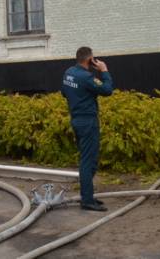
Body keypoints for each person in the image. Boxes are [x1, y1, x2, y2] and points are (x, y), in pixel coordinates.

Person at [61, 47, 114, 212]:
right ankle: (87, 201)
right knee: (87, 161)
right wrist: (104, 71)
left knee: (89, 160)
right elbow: (107, 90)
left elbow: (65, 93)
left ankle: (88, 196)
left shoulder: (68, 72)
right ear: (89, 59)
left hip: (76, 119)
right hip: (88, 122)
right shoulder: (86, 77)